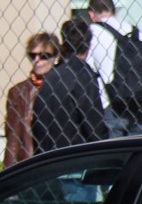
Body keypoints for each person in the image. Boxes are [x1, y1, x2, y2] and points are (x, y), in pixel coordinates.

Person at [32, 17, 108, 154]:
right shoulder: (83, 75)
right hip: (74, 158)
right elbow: (94, 126)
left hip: (45, 157)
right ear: (88, 45)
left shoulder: (52, 76)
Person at [85, 0, 142, 136]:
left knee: (113, 152)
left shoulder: (92, 32)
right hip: (139, 102)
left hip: (111, 103)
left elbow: (88, 67)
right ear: (114, 11)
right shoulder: (134, 31)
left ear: (91, 14)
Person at [3, 31, 61, 167]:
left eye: (44, 56)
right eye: (32, 56)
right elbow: (13, 138)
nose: (37, 61)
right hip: (31, 162)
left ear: (56, 57)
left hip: (60, 160)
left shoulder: (62, 87)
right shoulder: (19, 92)